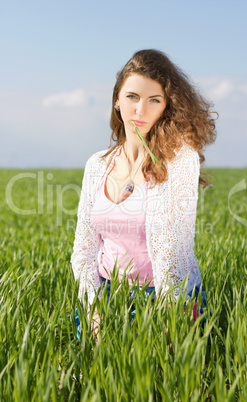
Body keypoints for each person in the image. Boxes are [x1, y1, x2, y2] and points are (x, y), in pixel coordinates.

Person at [71, 49, 217, 341]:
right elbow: (83, 251)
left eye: (154, 100)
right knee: (93, 381)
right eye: (132, 97)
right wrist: (93, 307)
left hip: (164, 297)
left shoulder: (179, 161)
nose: (141, 110)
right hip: (105, 294)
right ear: (117, 100)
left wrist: (168, 315)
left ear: (167, 106)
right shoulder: (97, 165)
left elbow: (173, 250)